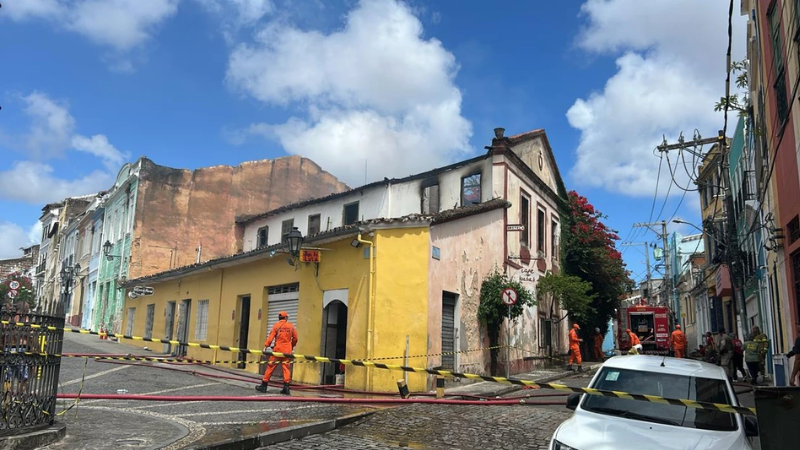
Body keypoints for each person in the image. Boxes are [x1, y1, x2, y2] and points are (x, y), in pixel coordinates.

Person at [256, 311, 298, 395]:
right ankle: (286, 387)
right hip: (287, 351)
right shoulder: (291, 326)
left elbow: (271, 337)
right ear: (286, 318)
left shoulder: (276, 326)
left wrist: (266, 345)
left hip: (277, 350)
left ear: (279, 318)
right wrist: (291, 346)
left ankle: (264, 385)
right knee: (286, 368)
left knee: (270, 367)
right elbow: (295, 338)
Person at [786, 321, 800, 387]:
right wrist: (791, 353)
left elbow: (798, 360)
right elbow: (796, 350)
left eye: (797, 324)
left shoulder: (799, 340)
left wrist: (793, 376)